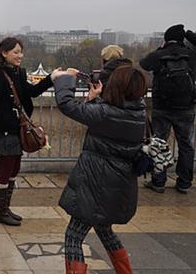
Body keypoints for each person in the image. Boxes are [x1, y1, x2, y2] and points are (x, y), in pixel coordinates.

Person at [52, 65, 147, 274]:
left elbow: (67, 105)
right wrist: (95, 99)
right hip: (118, 185)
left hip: (96, 184)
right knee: (105, 231)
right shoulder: (138, 111)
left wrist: (63, 79)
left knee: (74, 237)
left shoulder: (106, 113)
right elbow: (109, 123)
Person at [0, 37, 53, 226]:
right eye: (15, 52)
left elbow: (33, 92)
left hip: (17, 128)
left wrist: (52, 78)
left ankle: (5, 209)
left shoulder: (18, 73)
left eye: (21, 51)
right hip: (5, 130)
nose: (20, 55)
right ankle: (0, 212)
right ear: (4, 53)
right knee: (6, 170)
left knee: (14, 169)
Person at [140, 24, 196, 194]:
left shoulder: (159, 55)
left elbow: (144, 64)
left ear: (166, 39)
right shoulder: (192, 55)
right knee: (186, 145)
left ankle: (158, 181)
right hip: (186, 107)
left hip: (162, 108)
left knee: (159, 144)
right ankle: (184, 182)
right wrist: (191, 36)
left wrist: (161, 48)